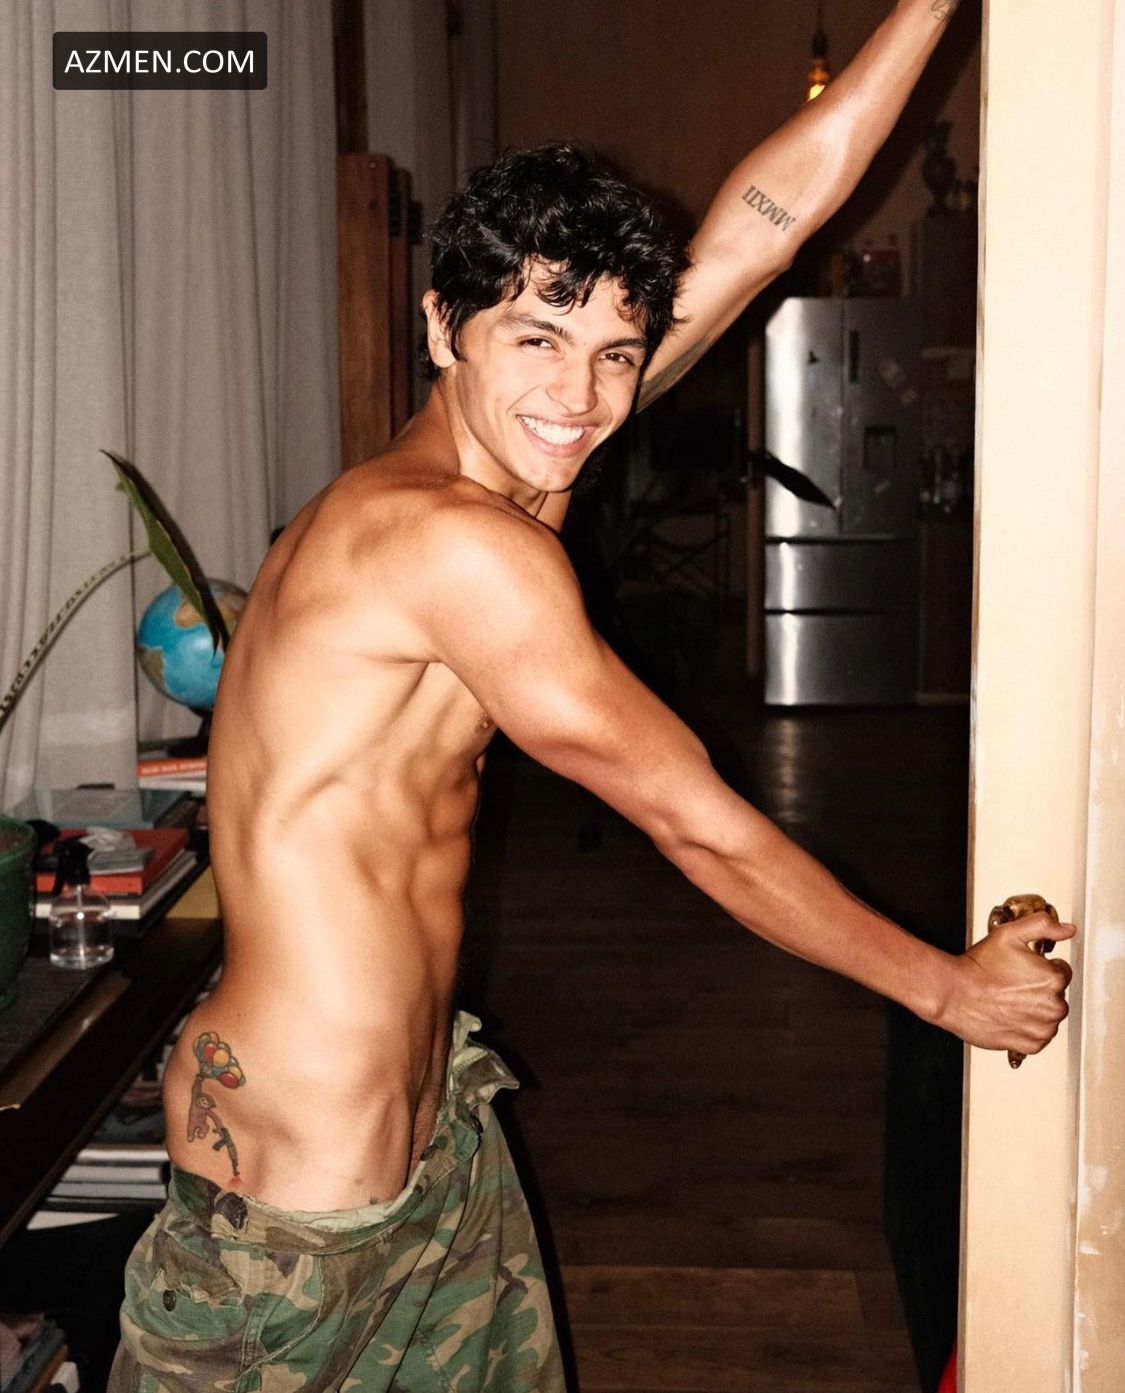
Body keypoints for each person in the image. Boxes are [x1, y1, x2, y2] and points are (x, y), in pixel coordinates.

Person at [110, 2, 1073, 1389]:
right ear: (443, 325)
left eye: (617, 350)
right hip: (296, 1239)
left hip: (432, 1144)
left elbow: (765, 224)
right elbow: (694, 822)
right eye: (538, 340)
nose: (583, 393)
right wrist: (946, 992)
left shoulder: (515, 455)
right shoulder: (452, 546)